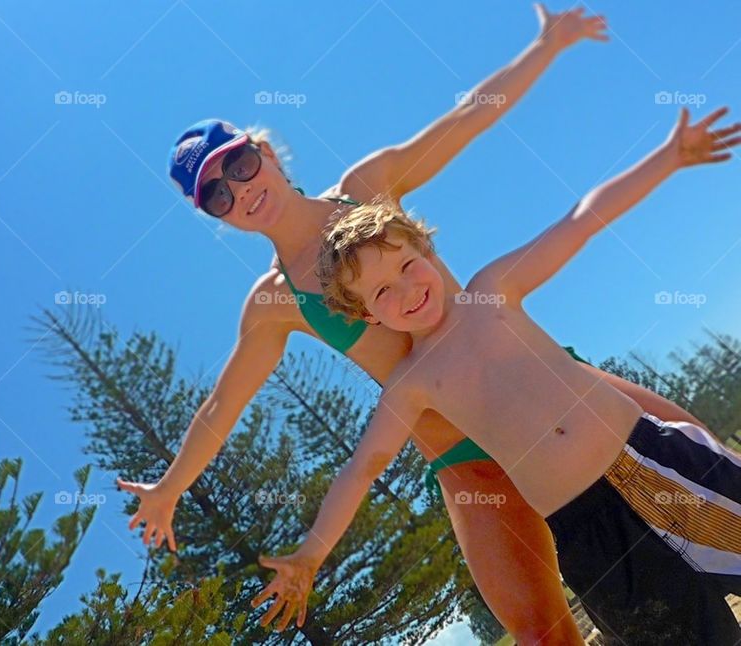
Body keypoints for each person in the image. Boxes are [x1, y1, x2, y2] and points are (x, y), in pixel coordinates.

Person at [119, 5, 706, 641]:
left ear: (263, 151)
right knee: (542, 633)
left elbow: (469, 118)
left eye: (237, 165)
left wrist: (549, 44)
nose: (238, 190)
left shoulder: (368, 186)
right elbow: (220, 406)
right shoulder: (273, 302)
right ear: (217, 217)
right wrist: (170, 487)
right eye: (216, 195)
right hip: (462, 456)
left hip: (543, 386)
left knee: (700, 458)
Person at [258, 106, 741, 643]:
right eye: (380, 293)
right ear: (369, 315)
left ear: (426, 247)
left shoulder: (494, 291)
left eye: (405, 266)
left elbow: (580, 221)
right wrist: (310, 555)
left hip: (651, 461)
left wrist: (669, 157)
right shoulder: (412, 385)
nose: (404, 291)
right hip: (591, 535)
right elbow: (361, 470)